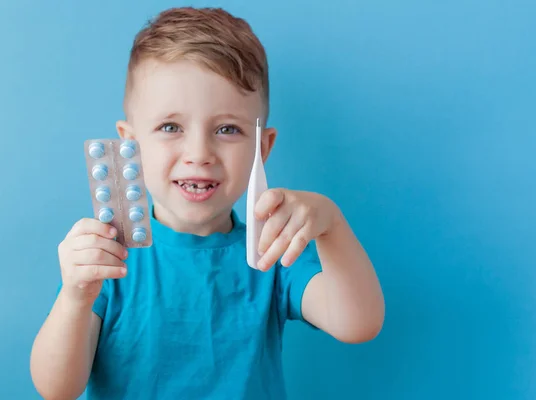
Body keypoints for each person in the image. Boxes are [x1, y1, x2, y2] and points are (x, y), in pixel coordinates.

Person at [30, 6, 384, 400]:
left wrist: (331, 225)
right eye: (170, 127)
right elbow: (57, 389)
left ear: (262, 148)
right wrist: (76, 297)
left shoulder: (272, 253)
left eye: (227, 129)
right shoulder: (109, 261)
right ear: (129, 144)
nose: (199, 153)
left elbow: (358, 323)